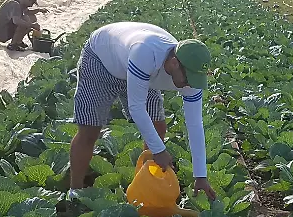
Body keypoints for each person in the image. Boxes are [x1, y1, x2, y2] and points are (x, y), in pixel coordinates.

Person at [68, 22, 217, 201]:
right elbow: (136, 107)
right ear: (174, 63)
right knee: (90, 130)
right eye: (189, 79)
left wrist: (200, 175)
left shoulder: (190, 75)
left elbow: (195, 124)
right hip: (102, 61)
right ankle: (74, 192)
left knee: (158, 126)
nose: (189, 85)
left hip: (140, 70)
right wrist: (158, 150)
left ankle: (143, 189)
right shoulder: (146, 54)